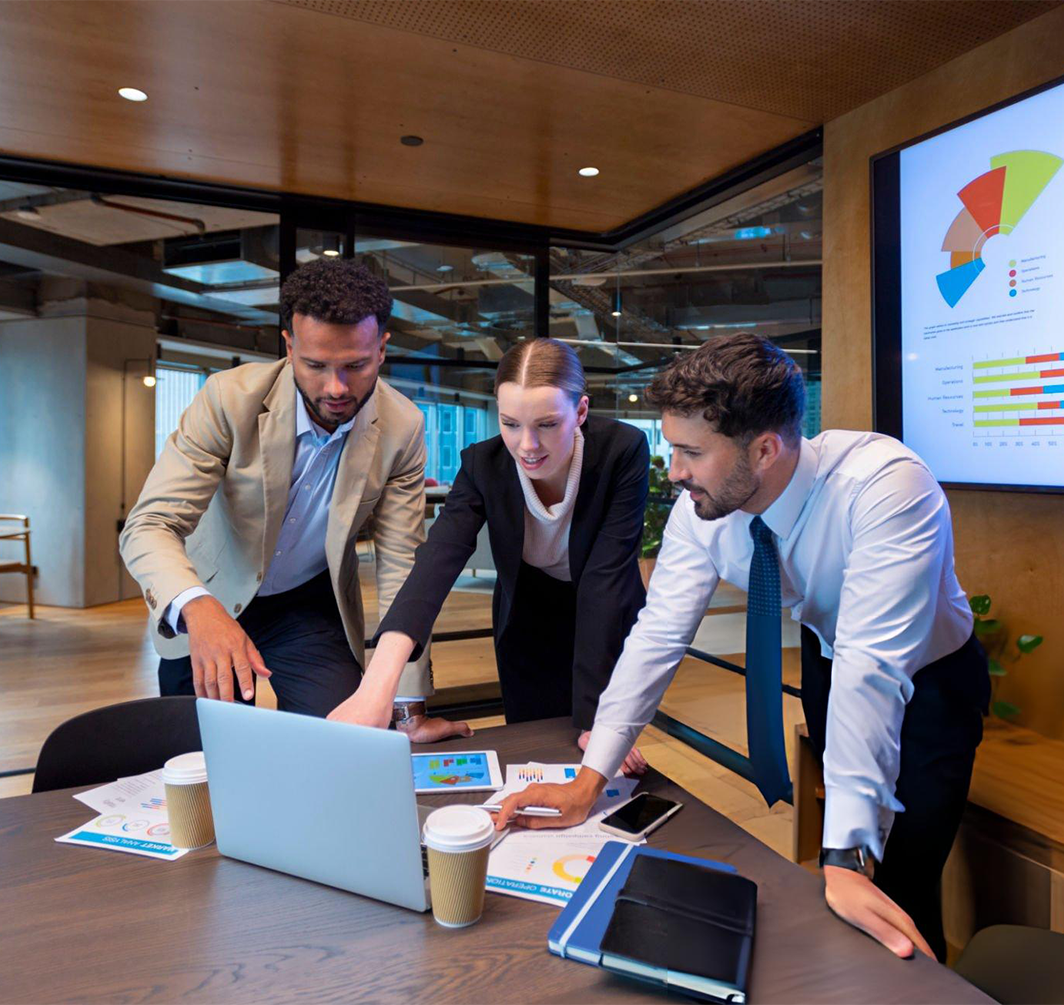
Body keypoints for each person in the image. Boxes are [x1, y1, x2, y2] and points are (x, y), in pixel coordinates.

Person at [495, 333, 989, 963]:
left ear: (763, 449)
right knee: (850, 871)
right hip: (829, 657)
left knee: (902, 877)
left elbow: (873, 670)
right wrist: (589, 781)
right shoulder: (704, 505)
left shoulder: (887, 489)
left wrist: (844, 855)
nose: (673, 472)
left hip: (930, 679)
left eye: (691, 453)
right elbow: (658, 635)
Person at [120, 259, 430, 716]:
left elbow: (402, 565)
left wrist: (406, 703)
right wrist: (198, 607)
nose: (336, 387)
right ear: (288, 347)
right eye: (315, 365)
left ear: (382, 349)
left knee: (340, 740)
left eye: (356, 365)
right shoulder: (228, 399)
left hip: (307, 605)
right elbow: (150, 523)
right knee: (204, 752)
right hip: (210, 594)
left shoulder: (403, 426)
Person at [328, 337, 650, 768]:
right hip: (528, 612)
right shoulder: (484, 465)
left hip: (607, 611)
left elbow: (605, 581)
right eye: (511, 423)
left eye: (548, 424)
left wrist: (600, 721)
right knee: (534, 747)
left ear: (582, 412)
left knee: (598, 744)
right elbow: (435, 564)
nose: (527, 445)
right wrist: (377, 688)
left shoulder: (621, 451)